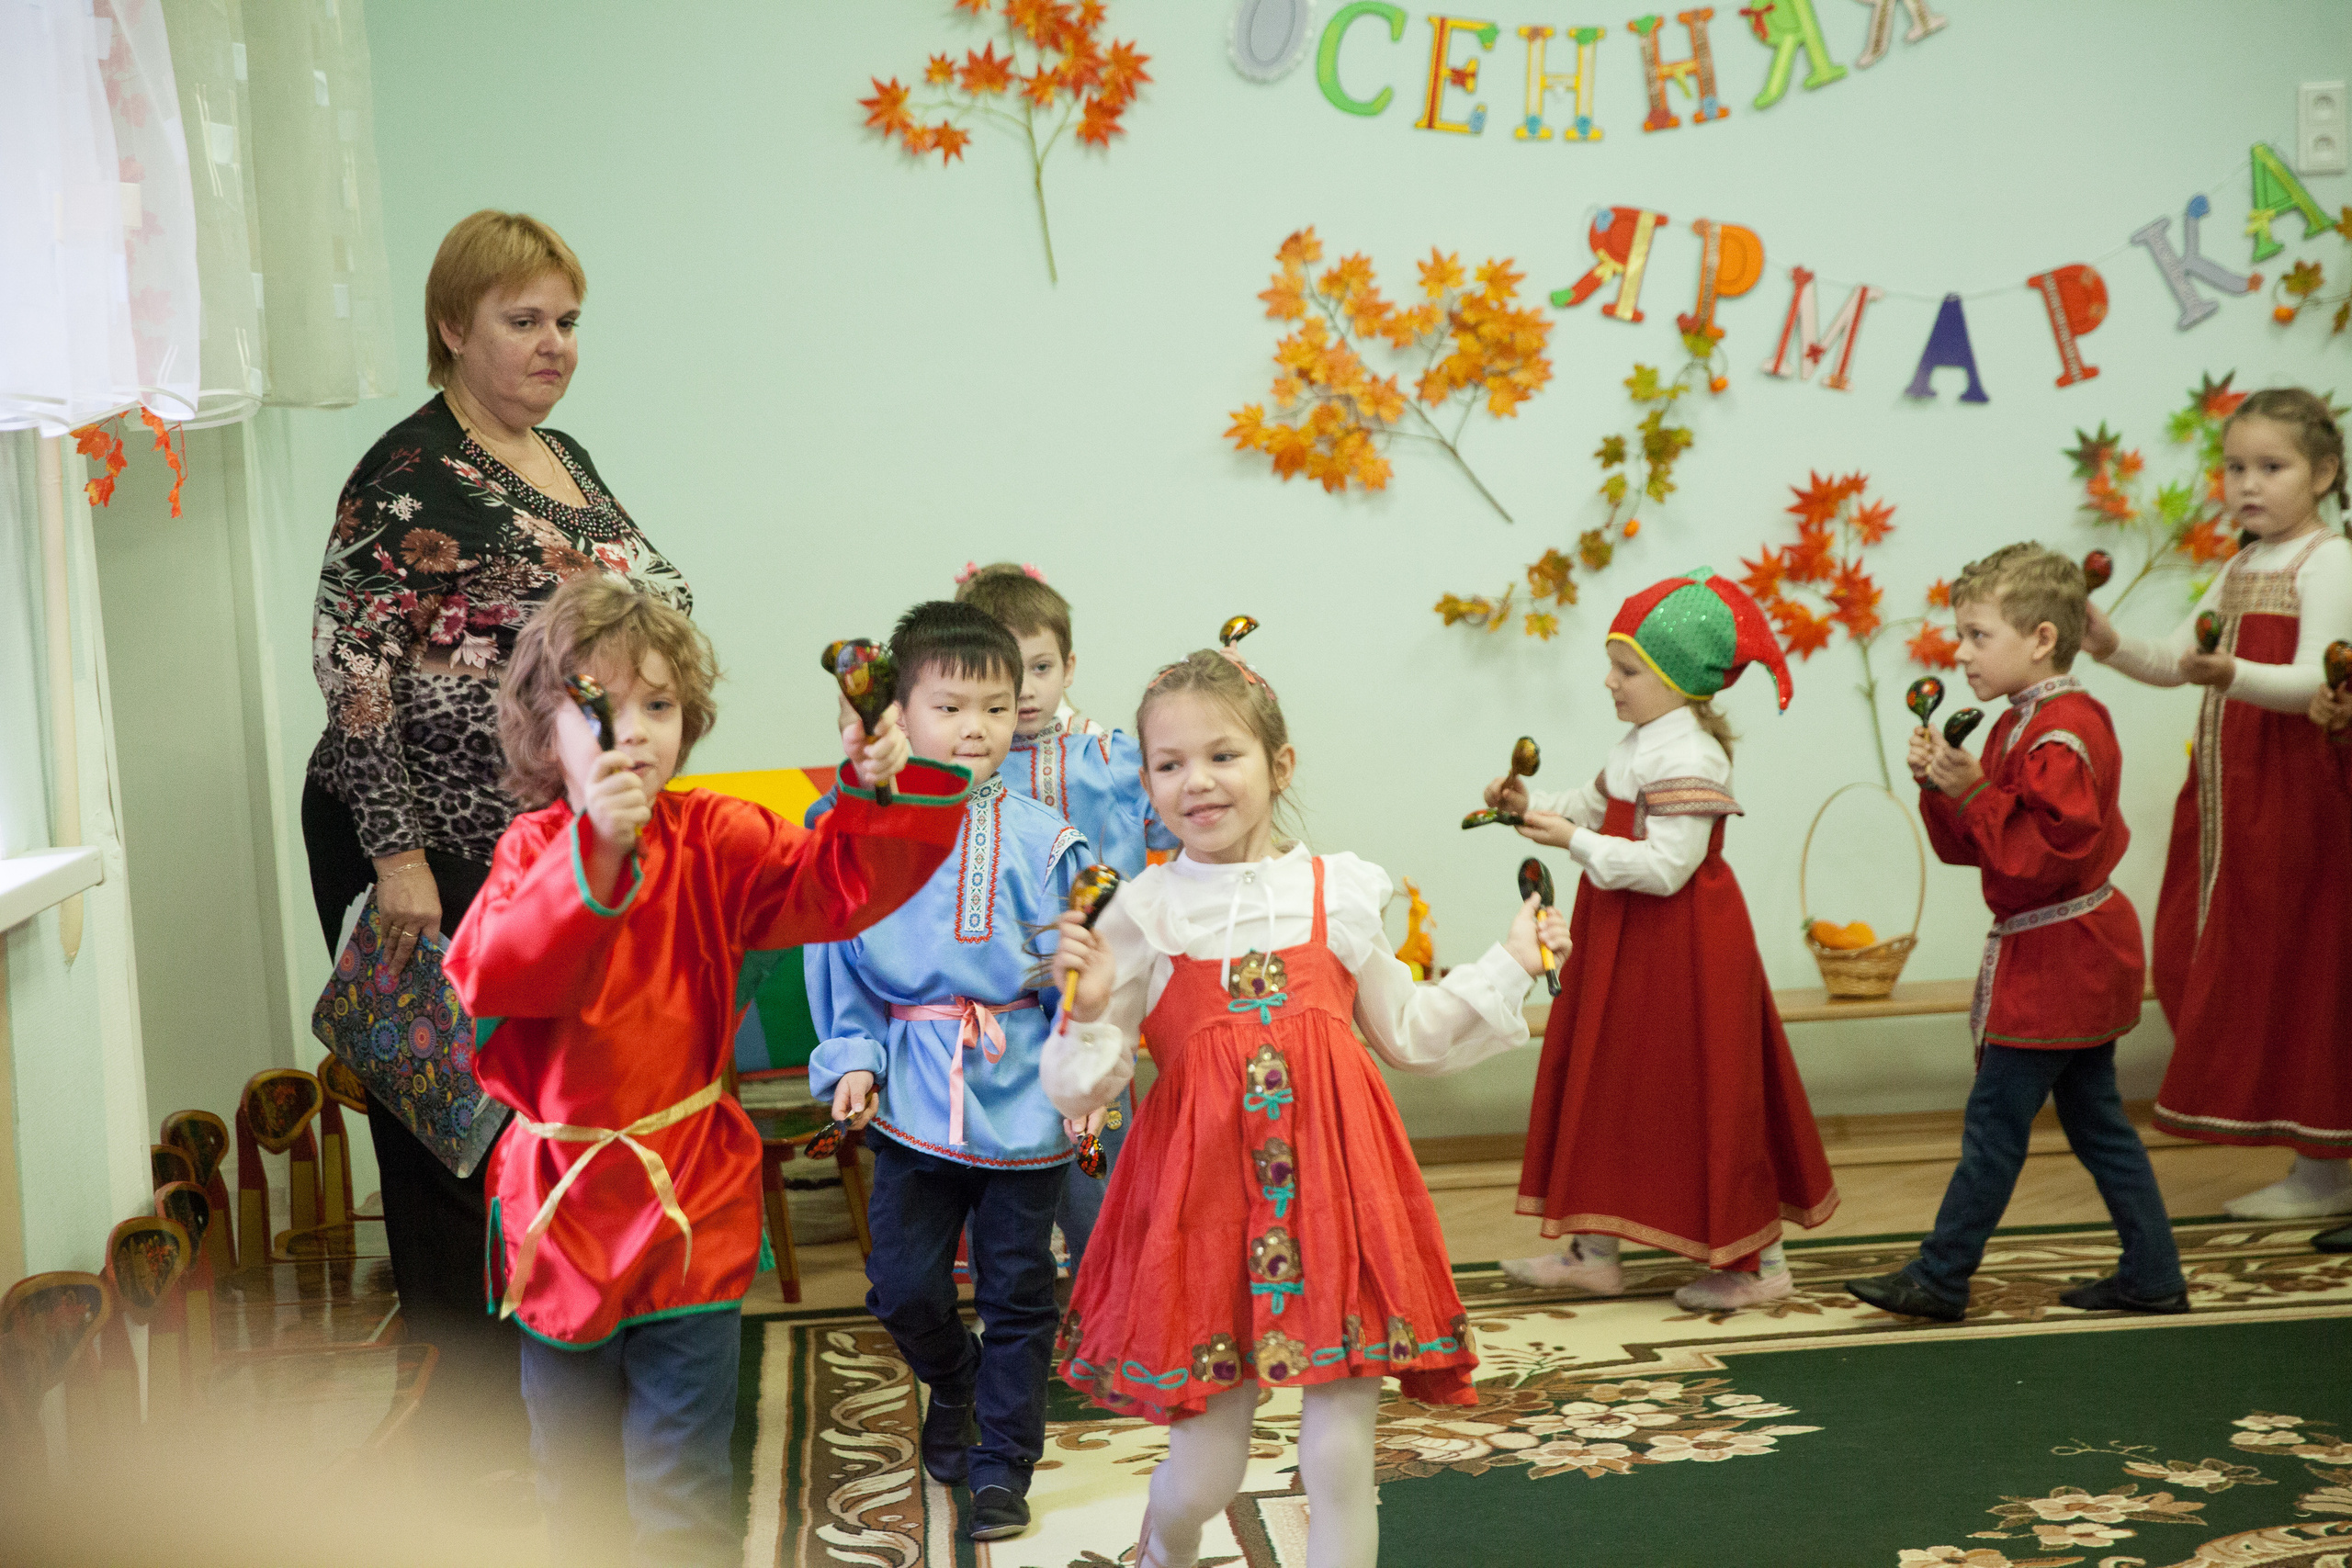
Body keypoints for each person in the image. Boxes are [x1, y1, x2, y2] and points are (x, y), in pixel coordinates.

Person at [442, 576, 965, 1568]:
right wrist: (598, 853)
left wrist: (872, 788)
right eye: (598, 708)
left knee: (684, 1483)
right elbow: (501, 974)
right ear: (543, 730)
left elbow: (838, 887)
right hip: (561, 1213)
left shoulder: (718, 836)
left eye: (659, 704)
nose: (633, 731)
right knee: (575, 1488)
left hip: (689, 1196)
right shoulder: (527, 854)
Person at [300, 209, 688, 1498]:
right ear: (452, 327)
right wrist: (397, 857)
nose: (553, 344)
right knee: (454, 1136)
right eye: (523, 320)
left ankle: (564, 1399)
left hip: (547, 841)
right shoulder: (407, 473)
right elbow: (352, 673)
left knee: (550, 1117)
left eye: (567, 320)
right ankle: (469, 1445)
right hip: (433, 847)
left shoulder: (559, 454)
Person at [1043, 635, 1560, 1568]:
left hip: (1336, 1200)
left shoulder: (1342, 890)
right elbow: (1082, 1088)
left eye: (1222, 754)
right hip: (1203, 1210)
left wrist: (1509, 963)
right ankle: (1163, 1549)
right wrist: (1082, 1012)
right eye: (1169, 764)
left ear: (1279, 765)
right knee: (1206, 1469)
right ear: (1146, 783)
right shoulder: (1142, 912)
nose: (1197, 782)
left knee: (1338, 1457)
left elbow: (1410, 1033)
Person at [804, 602, 1098, 1545]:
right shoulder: (855, 828)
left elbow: (1078, 977)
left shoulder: (1050, 842)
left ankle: (1004, 1462)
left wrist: (1084, 1078)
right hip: (913, 1094)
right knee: (902, 1286)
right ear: (899, 712)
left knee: (1018, 1292)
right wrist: (852, 1058)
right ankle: (957, 1381)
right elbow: (837, 955)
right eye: (952, 707)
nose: (977, 728)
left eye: (997, 708)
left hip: (1026, 1101)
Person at [1845, 545, 2187, 1321]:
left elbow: (2039, 857)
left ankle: (1941, 1275)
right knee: (2097, 1123)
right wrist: (1946, 786)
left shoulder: (2061, 733)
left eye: (1978, 634)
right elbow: (1978, 845)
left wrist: (1971, 792)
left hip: (2062, 958)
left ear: (2040, 638)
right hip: (2062, 949)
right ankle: (2154, 1272)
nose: (1961, 653)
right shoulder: (2021, 724)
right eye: (1960, 635)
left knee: (1995, 1126)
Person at [1499, 569, 1839, 1314]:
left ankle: (1762, 1264)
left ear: (1679, 679)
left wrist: (1572, 840)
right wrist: (1531, 804)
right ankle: (1594, 1253)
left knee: (1711, 1090)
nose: (1609, 682)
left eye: (1626, 670)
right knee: (1607, 1079)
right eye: (1613, 666)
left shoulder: (1692, 755)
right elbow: (1592, 806)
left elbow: (1665, 867)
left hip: (1684, 949)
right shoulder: (1639, 743)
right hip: (1624, 938)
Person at [2083, 388, 2352, 1220]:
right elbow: (2179, 660)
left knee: (2310, 963)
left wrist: (2230, 673)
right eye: (2236, 467)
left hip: (2304, 795)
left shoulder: (2329, 561)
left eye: (2272, 466)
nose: (2248, 483)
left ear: (2325, 473)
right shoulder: (2241, 566)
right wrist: (2108, 641)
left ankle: (2325, 1168)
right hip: (2236, 800)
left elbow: (2320, 675)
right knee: (2212, 954)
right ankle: (2316, 1160)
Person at [952, 560, 1171, 1284]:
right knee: (1003, 1161)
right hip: (1001, 1003)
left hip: (1097, 992)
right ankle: (1017, 1305)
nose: (1026, 689)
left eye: (1041, 667)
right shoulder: (957, 772)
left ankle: (1113, 1293)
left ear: (1069, 666)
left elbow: (1172, 823)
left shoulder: (1113, 758)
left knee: (1097, 1151)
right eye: (1007, 671)